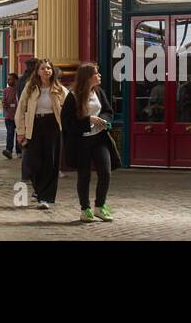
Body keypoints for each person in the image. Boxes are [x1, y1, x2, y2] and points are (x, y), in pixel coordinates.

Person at [62, 62, 118, 223]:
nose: (99, 76)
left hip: (99, 138)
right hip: (81, 141)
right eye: (96, 73)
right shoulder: (73, 96)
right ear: (87, 77)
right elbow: (67, 121)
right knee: (84, 175)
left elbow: (108, 111)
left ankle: (100, 207)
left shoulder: (99, 92)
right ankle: (84, 209)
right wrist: (89, 120)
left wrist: (104, 121)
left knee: (105, 172)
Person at [14, 59, 66, 210]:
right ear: (37, 71)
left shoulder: (58, 88)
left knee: (51, 162)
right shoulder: (30, 88)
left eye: (49, 68)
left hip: (53, 126)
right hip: (34, 126)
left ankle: (46, 197)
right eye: (43, 68)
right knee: (33, 163)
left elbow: (69, 106)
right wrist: (21, 131)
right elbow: (21, 110)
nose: (46, 71)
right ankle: (38, 190)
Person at [1, 73, 21, 159]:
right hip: (9, 116)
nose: (8, 81)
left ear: (16, 80)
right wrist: (4, 104)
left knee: (19, 134)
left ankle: (19, 151)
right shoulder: (5, 91)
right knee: (10, 133)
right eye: (7, 79)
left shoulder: (20, 90)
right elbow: (4, 102)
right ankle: (8, 150)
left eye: (10, 79)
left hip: (19, 116)